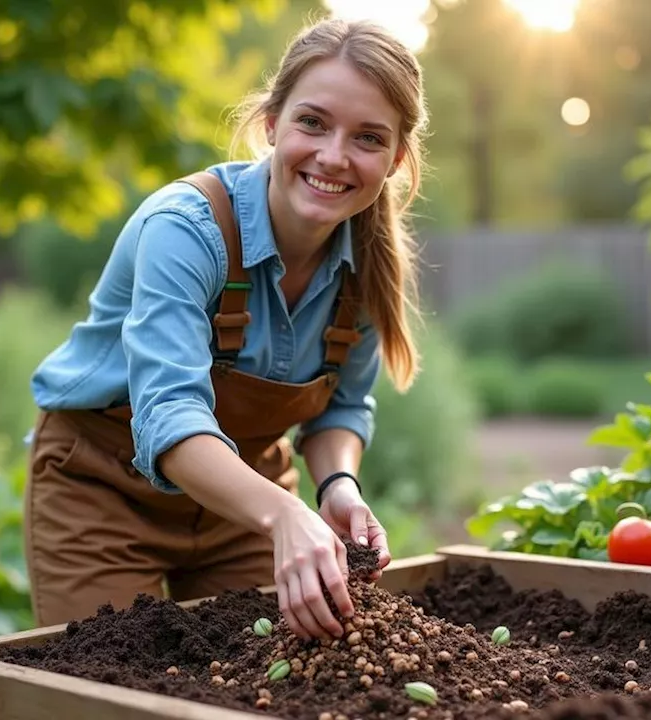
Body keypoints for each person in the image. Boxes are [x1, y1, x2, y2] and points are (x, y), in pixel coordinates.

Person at [24, 16, 429, 641]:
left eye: (368, 137)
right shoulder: (186, 229)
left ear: (396, 158)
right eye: (313, 122)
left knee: (275, 676)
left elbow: (341, 409)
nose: (333, 156)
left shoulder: (368, 267)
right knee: (110, 694)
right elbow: (169, 416)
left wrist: (338, 484)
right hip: (102, 494)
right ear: (272, 122)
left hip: (244, 507)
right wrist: (284, 515)